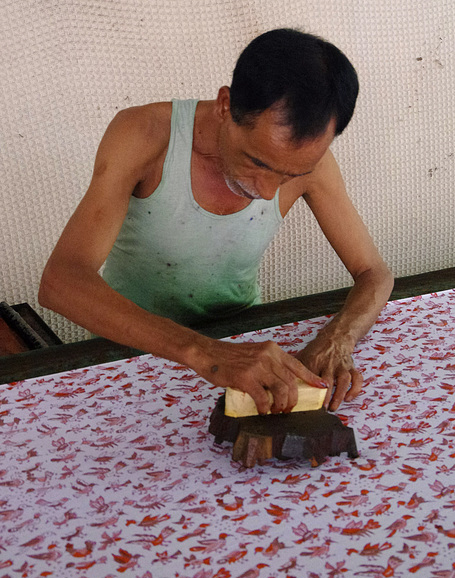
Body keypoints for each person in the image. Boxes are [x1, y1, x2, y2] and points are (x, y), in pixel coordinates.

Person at [39, 28, 393, 415]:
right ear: (225, 105)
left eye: (291, 175)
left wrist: (339, 337)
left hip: (242, 344)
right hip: (130, 350)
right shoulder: (145, 134)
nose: (267, 190)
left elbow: (374, 272)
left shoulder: (308, 162)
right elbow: (62, 282)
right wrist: (205, 351)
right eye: (257, 162)